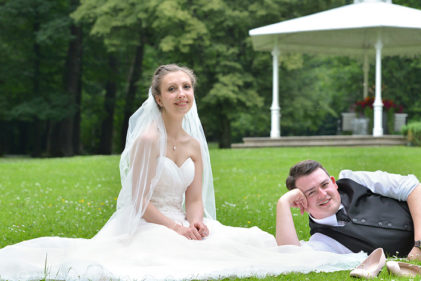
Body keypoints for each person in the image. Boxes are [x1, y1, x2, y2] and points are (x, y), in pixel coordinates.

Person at [0, 65, 365, 281]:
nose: (181, 94)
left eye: (186, 87)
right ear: (158, 97)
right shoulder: (147, 139)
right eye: (171, 89)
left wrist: (196, 222)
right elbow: (137, 201)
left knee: (244, 247)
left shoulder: (193, 144)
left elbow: (193, 197)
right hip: (148, 223)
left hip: (182, 221)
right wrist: (176, 228)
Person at [276, 159, 421, 262]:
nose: (323, 195)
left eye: (325, 185)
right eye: (311, 192)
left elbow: (416, 190)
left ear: (333, 182)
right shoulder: (323, 242)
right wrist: (283, 204)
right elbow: (290, 258)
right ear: (300, 201)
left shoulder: (354, 179)